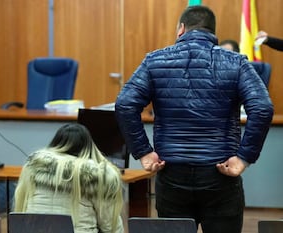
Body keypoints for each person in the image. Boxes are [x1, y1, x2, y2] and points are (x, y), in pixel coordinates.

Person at [115, 5, 273, 233]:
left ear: (181, 29)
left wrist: (143, 151)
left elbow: (125, 104)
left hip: (171, 174)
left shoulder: (155, 61)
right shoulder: (237, 62)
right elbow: (262, 107)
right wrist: (243, 158)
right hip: (221, 174)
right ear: (213, 33)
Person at [13, 123, 124, 233]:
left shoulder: (33, 166)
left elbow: (21, 209)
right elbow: (111, 227)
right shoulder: (99, 176)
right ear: (88, 147)